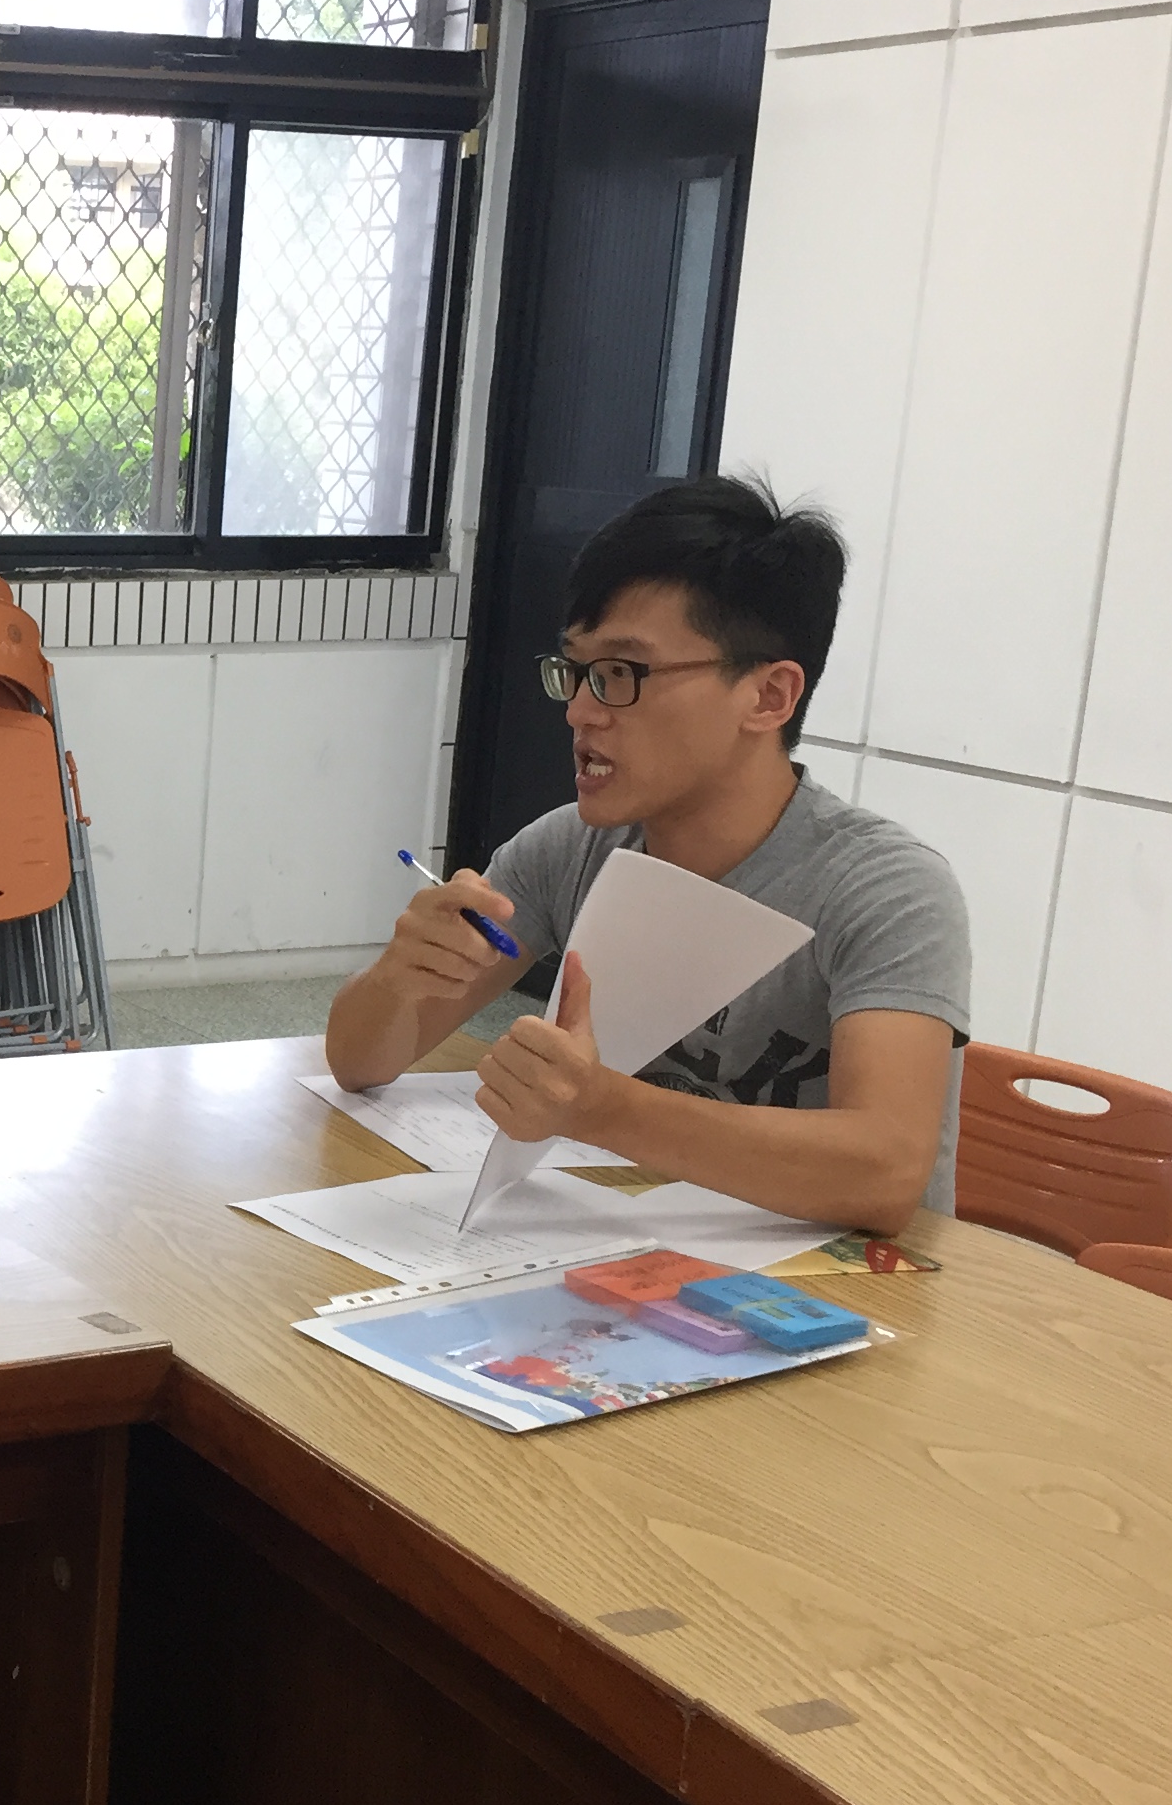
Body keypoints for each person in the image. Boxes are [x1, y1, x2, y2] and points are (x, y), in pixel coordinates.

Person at [325, 474, 969, 1236]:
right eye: (576, 671)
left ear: (768, 696)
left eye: (621, 675)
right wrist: (397, 980)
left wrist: (602, 1109)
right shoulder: (568, 849)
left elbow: (886, 1171)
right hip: (626, 1252)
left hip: (837, 1287)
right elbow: (360, 1064)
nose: (580, 711)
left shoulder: (886, 889)